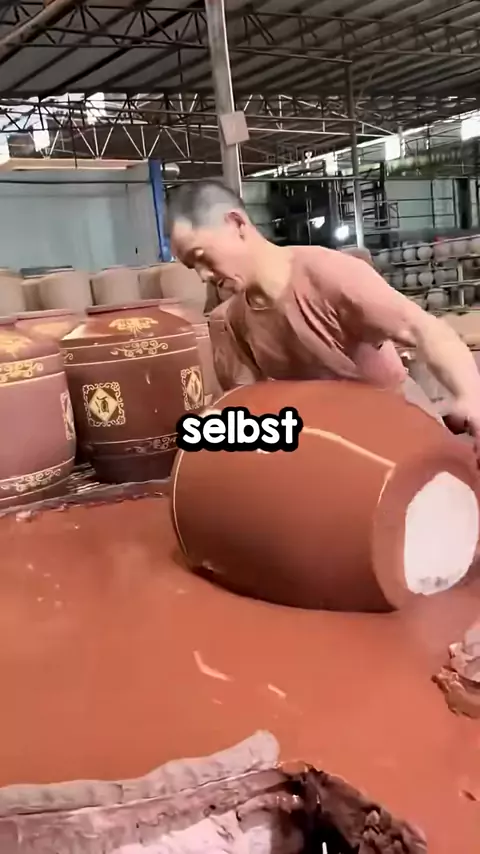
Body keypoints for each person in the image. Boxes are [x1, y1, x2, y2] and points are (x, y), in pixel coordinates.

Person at [168, 179, 480, 458]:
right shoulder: (235, 319)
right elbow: (250, 399)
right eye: (192, 267)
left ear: (236, 224)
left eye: (201, 257)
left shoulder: (329, 275)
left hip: (397, 430)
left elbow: (424, 329)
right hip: (327, 445)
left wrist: (470, 396)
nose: (203, 275)